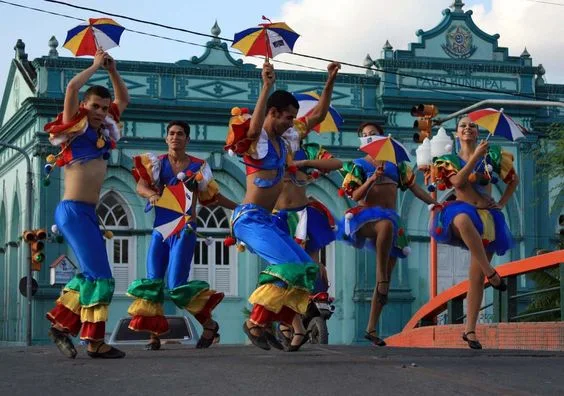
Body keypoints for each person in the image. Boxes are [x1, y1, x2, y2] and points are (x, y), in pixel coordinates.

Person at [225, 60, 340, 351]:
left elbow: (319, 115)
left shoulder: (285, 139)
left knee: (304, 268)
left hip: (266, 220)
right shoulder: (257, 141)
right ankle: (255, 321)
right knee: (287, 265)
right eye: (287, 117)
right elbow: (252, 130)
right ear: (273, 113)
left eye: (292, 118)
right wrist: (266, 86)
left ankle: (287, 324)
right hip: (248, 219)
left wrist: (329, 80)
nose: (292, 123)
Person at [44, 50, 129, 359]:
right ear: (85, 106)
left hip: (88, 214)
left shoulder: (103, 132)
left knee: (91, 275)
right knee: (102, 275)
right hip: (72, 211)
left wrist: (113, 71)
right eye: (95, 106)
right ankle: (93, 342)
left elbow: (124, 100)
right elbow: (71, 89)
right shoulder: (75, 129)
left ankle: (63, 326)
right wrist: (94, 66)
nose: (99, 112)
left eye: (104, 108)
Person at [127, 120, 237, 350]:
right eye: (171, 133)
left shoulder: (199, 166)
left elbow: (213, 196)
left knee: (177, 286)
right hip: (161, 230)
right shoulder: (157, 164)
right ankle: (154, 336)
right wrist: (150, 195)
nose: (175, 137)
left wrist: (239, 207)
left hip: (185, 230)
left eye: (180, 134)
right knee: (152, 282)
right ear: (166, 138)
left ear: (187, 140)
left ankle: (209, 325)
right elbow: (140, 187)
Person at [337, 122, 437, 346]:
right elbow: (354, 195)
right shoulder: (359, 165)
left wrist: (435, 204)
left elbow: (416, 189)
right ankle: (380, 274)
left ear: (382, 138)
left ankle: (371, 328)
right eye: (364, 135)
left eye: (372, 134)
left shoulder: (397, 166)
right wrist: (372, 179)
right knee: (384, 226)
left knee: (388, 237)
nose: (368, 137)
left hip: (391, 223)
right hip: (365, 219)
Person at [429, 116, 518, 349]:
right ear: (456, 134)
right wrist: (475, 157)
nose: (468, 128)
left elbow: (513, 180)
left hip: (488, 216)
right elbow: (458, 182)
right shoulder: (448, 160)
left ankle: (470, 331)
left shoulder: (492, 155)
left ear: (478, 133)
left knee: (475, 278)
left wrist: (503, 203)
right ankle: (492, 272)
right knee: (461, 219)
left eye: (472, 126)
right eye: (463, 126)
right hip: (462, 210)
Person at [272, 111, 343, 346]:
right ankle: (286, 318)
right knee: (281, 269)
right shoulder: (271, 149)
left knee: (310, 265)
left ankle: (310, 305)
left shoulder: (308, 150)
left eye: (293, 125)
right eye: (286, 123)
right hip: (278, 216)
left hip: (304, 213)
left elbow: (337, 163)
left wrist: (304, 163)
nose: (289, 128)